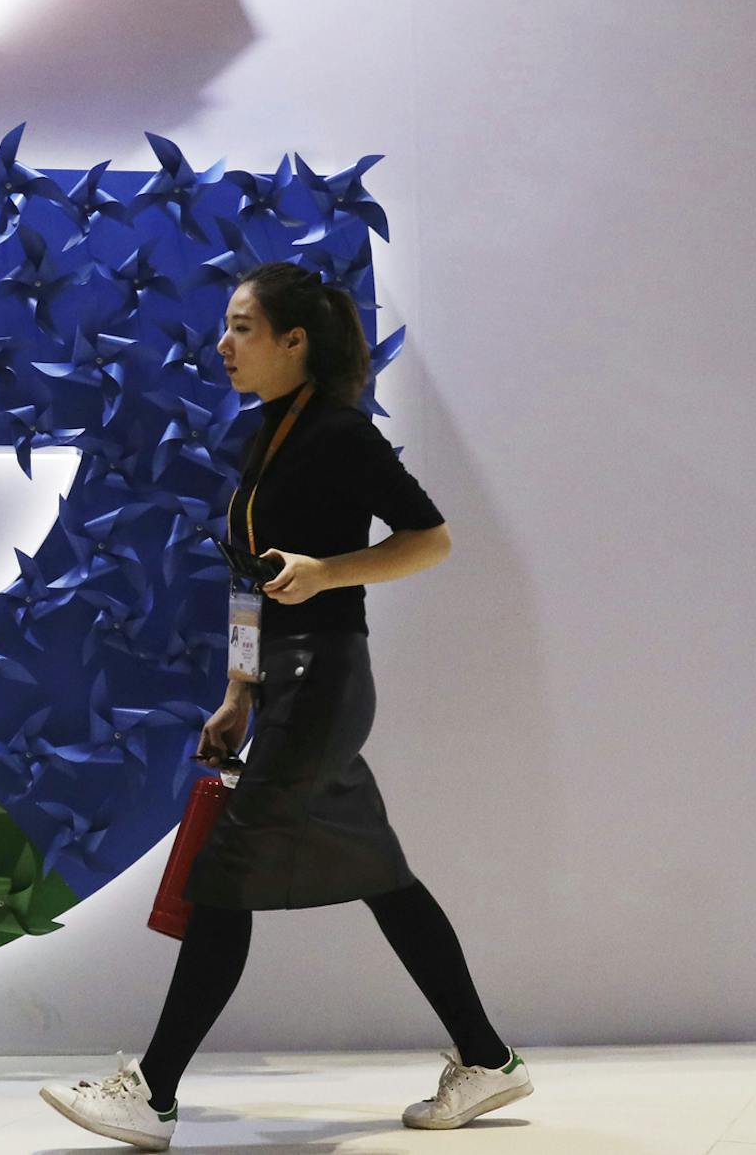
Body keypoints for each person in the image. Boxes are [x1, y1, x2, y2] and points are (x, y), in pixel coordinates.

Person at [39, 261, 532, 1151]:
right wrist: (237, 689)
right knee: (384, 878)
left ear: (294, 342)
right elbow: (249, 580)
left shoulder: (341, 432)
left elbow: (432, 538)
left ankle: (151, 1093)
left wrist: (332, 571)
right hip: (290, 683)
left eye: (241, 328)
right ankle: (489, 1058)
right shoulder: (263, 436)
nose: (222, 345)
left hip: (327, 677)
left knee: (223, 876)